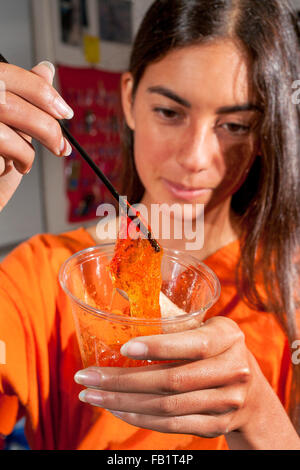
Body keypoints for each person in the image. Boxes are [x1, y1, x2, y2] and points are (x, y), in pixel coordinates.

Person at [0, 0, 299, 450]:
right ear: (129, 100)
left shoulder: (291, 286)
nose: (195, 158)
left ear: (263, 135)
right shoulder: (41, 276)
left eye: (234, 124)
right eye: (169, 112)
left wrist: (257, 414)